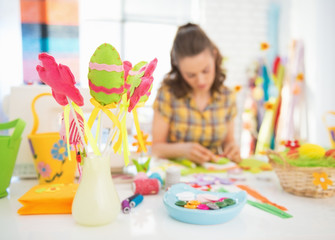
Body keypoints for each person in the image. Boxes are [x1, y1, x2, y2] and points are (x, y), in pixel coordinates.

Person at [152, 23, 241, 164]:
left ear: (214, 56)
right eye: (190, 75)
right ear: (178, 68)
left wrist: (231, 148)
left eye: (205, 71)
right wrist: (184, 150)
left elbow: (228, 142)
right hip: (175, 176)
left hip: (213, 178)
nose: (201, 81)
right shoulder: (168, 94)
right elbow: (156, 148)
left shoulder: (227, 97)